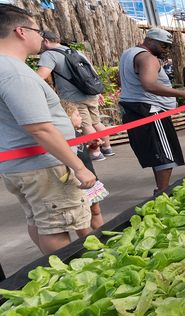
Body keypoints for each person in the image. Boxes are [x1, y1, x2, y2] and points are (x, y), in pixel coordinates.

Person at [0, 4, 95, 254]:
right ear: (21, 31)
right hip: (43, 165)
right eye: (37, 30)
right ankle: (69, 281)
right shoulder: (15, 73)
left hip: (21, 166)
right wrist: (79, 166)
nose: (41, 36)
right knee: (56, 225)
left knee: (41, 221)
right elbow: (40, 128)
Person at [118, 28, 185, 194]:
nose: (166, 50)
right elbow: (149, 85)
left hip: (135, 109)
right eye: (163, 46)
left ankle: (160, 191)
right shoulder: (148, 58)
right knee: (166, 156)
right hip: (150, 111)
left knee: (157, 154)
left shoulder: (129, 53)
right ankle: (163, 193)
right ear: (149, 41)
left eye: (168, 46)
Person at [37, 31, 115, 161]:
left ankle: (96, 153)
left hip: (73, 97)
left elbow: (42, 75)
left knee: (86, 125)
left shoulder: (49, 54)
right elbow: (92, 72)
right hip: (91, 92)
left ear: (45, 41)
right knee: (96, 122)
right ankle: (107, 148)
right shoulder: (74, 52)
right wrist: (98, 92)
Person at [62, 101, 107, 230]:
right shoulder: (63, 138)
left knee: (96, 211)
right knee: (82, 217)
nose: (81, 117)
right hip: (78, 183)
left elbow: (82, 153)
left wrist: (92, 147)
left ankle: (101, 235)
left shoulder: (77, 134)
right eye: (77, 115)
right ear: (67, 119)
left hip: (90, 178)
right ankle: (89, 242)